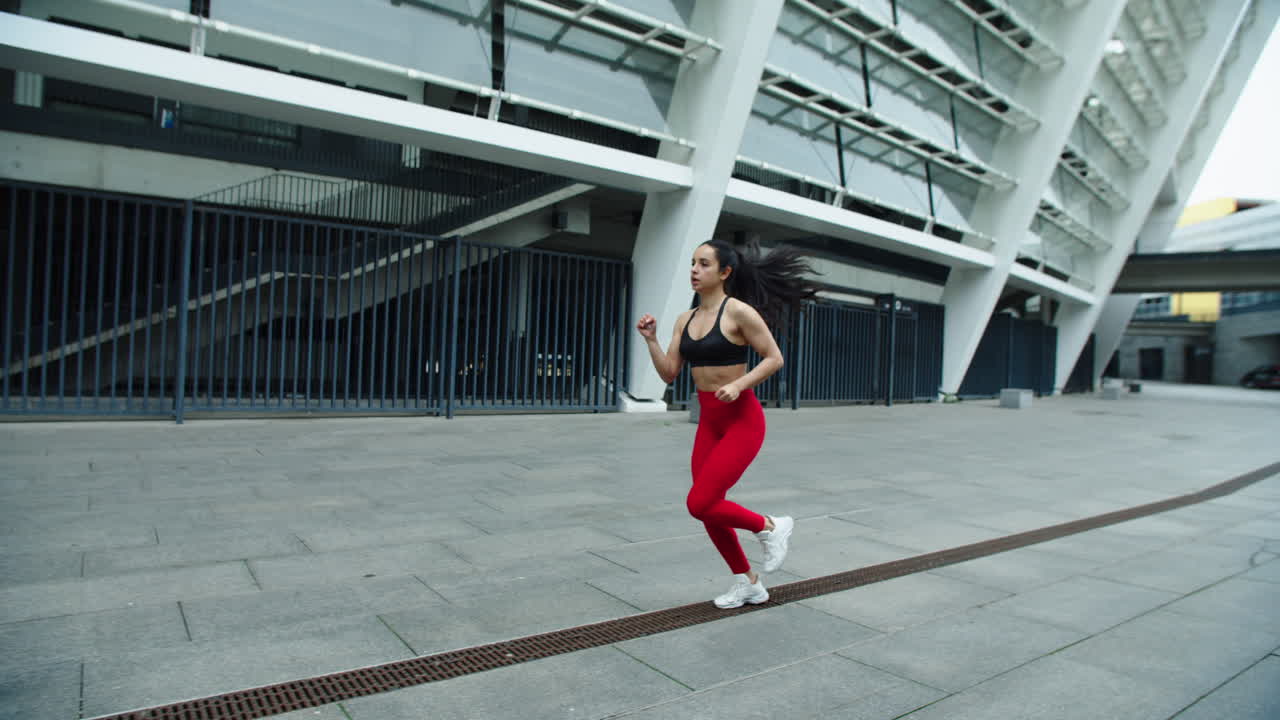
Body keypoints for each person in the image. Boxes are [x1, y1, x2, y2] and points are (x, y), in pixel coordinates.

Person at [636, 238, 819, 609]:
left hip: (742, 420)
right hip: (709, 421)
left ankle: (770, 526)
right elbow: (670, 374)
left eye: (703, 264)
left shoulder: (739, 313)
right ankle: (748, 582)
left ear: (724, 272)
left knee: (699, 502)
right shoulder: (684, 320)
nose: (694, 270)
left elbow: (774, 358)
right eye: (692, 263)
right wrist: (652, 341)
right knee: (707, 507)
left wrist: (739, 384)